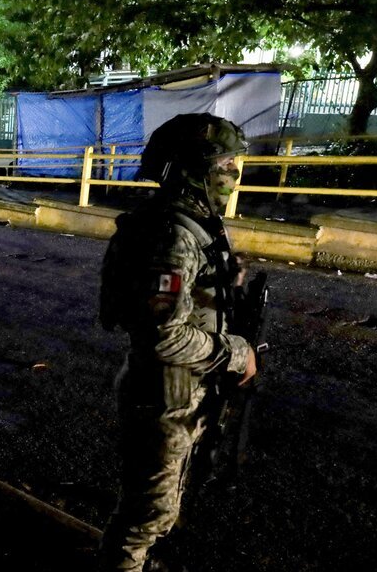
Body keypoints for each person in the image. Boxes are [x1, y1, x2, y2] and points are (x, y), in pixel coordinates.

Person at [97, 113, 257, 571]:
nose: (233, 174)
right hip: (165, 393)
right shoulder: (173, 234)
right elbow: (161, 335)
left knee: (163, 509)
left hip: (184, 390)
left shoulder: (190, 224)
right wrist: (236, 353)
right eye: (225, 164)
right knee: (147, 516)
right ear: (193, 168)